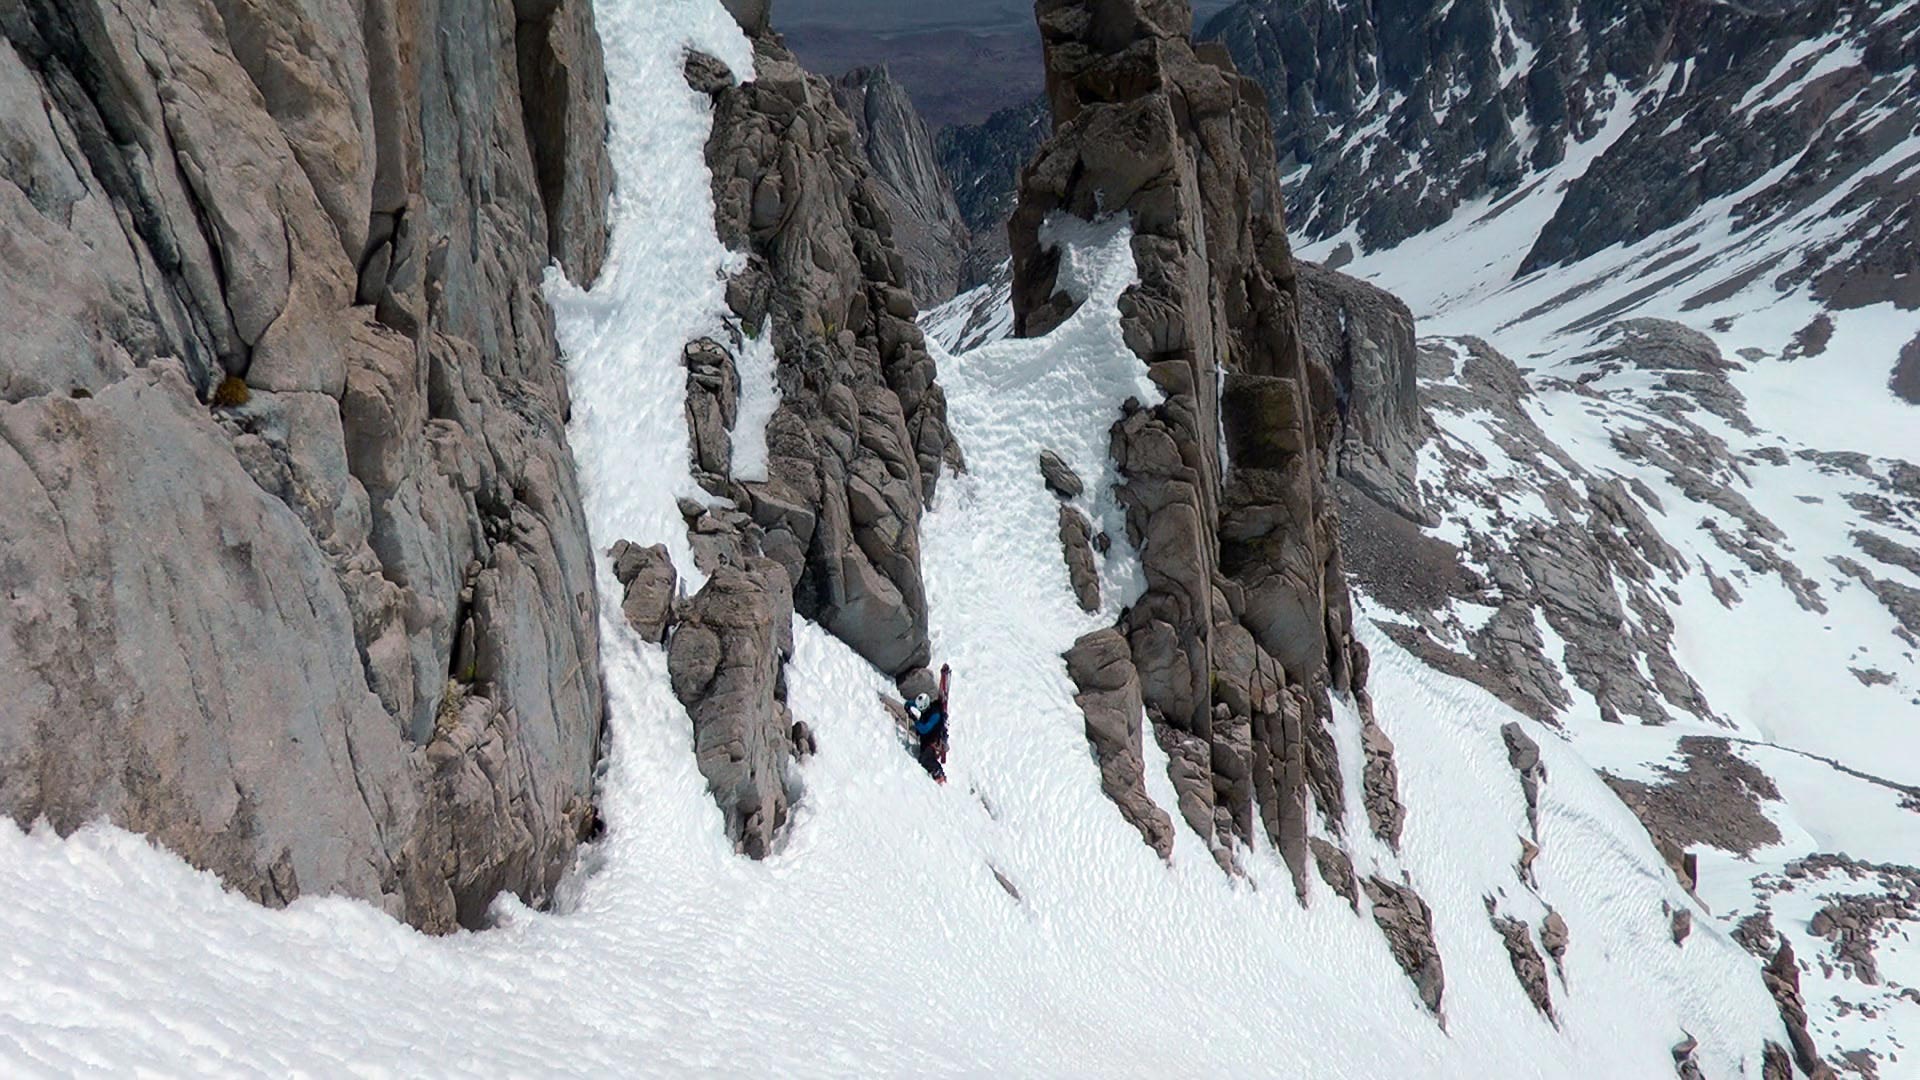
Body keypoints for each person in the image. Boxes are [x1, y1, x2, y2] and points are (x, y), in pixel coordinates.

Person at [906, 664, 951, 784]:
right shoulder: (929, 707)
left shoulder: (935, 715)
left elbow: (924, 729)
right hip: (928, 738)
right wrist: (909, 705)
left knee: (925, 759)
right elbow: (918, 705)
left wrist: (915, 720)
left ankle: (939, 773)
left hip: (933, 742)